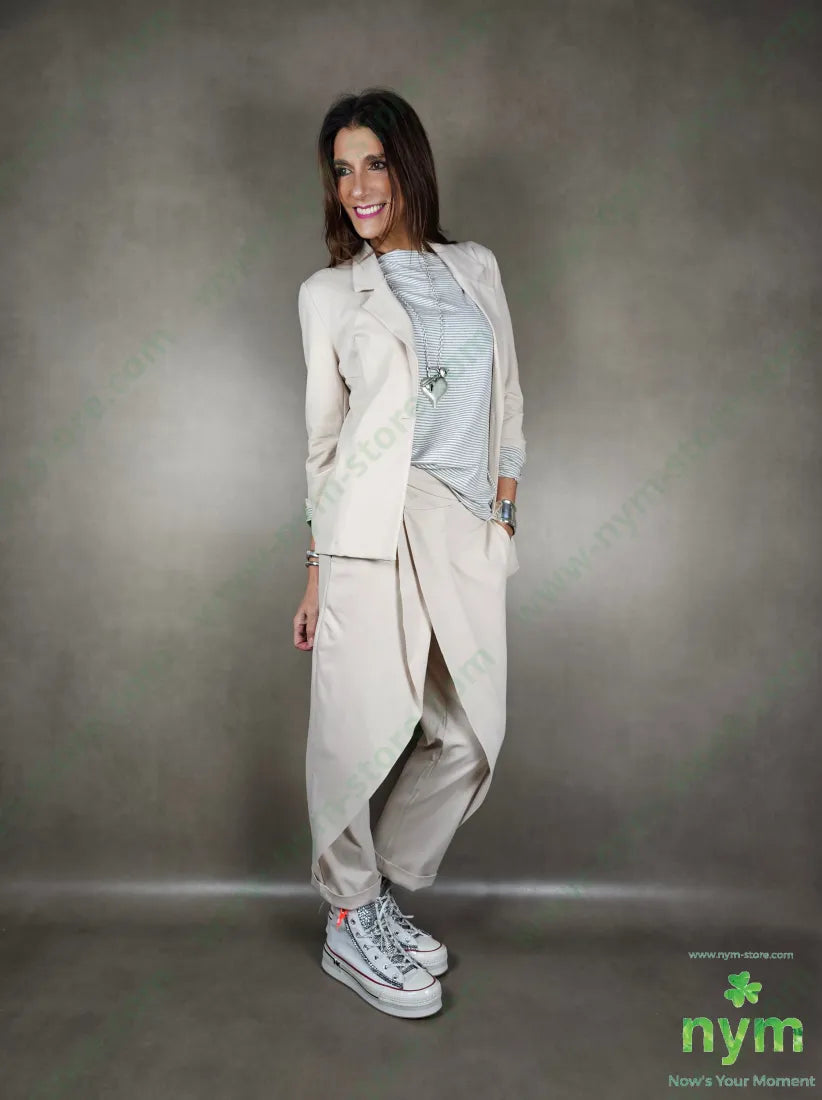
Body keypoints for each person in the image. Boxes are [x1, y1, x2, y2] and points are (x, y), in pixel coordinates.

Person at [292, 87, 526, 1019]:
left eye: (375, 163)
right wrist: (316, 570)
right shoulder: (328, 295)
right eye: (342, 170)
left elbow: (508, 404)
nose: (357, 187)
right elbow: (323, 445)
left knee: (468, 734)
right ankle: (349, 917)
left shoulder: (475, 268)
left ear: (409, 166)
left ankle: (375, 890)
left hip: (462, 529)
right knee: (352, 737)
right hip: (368, 530)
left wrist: (501, 516)